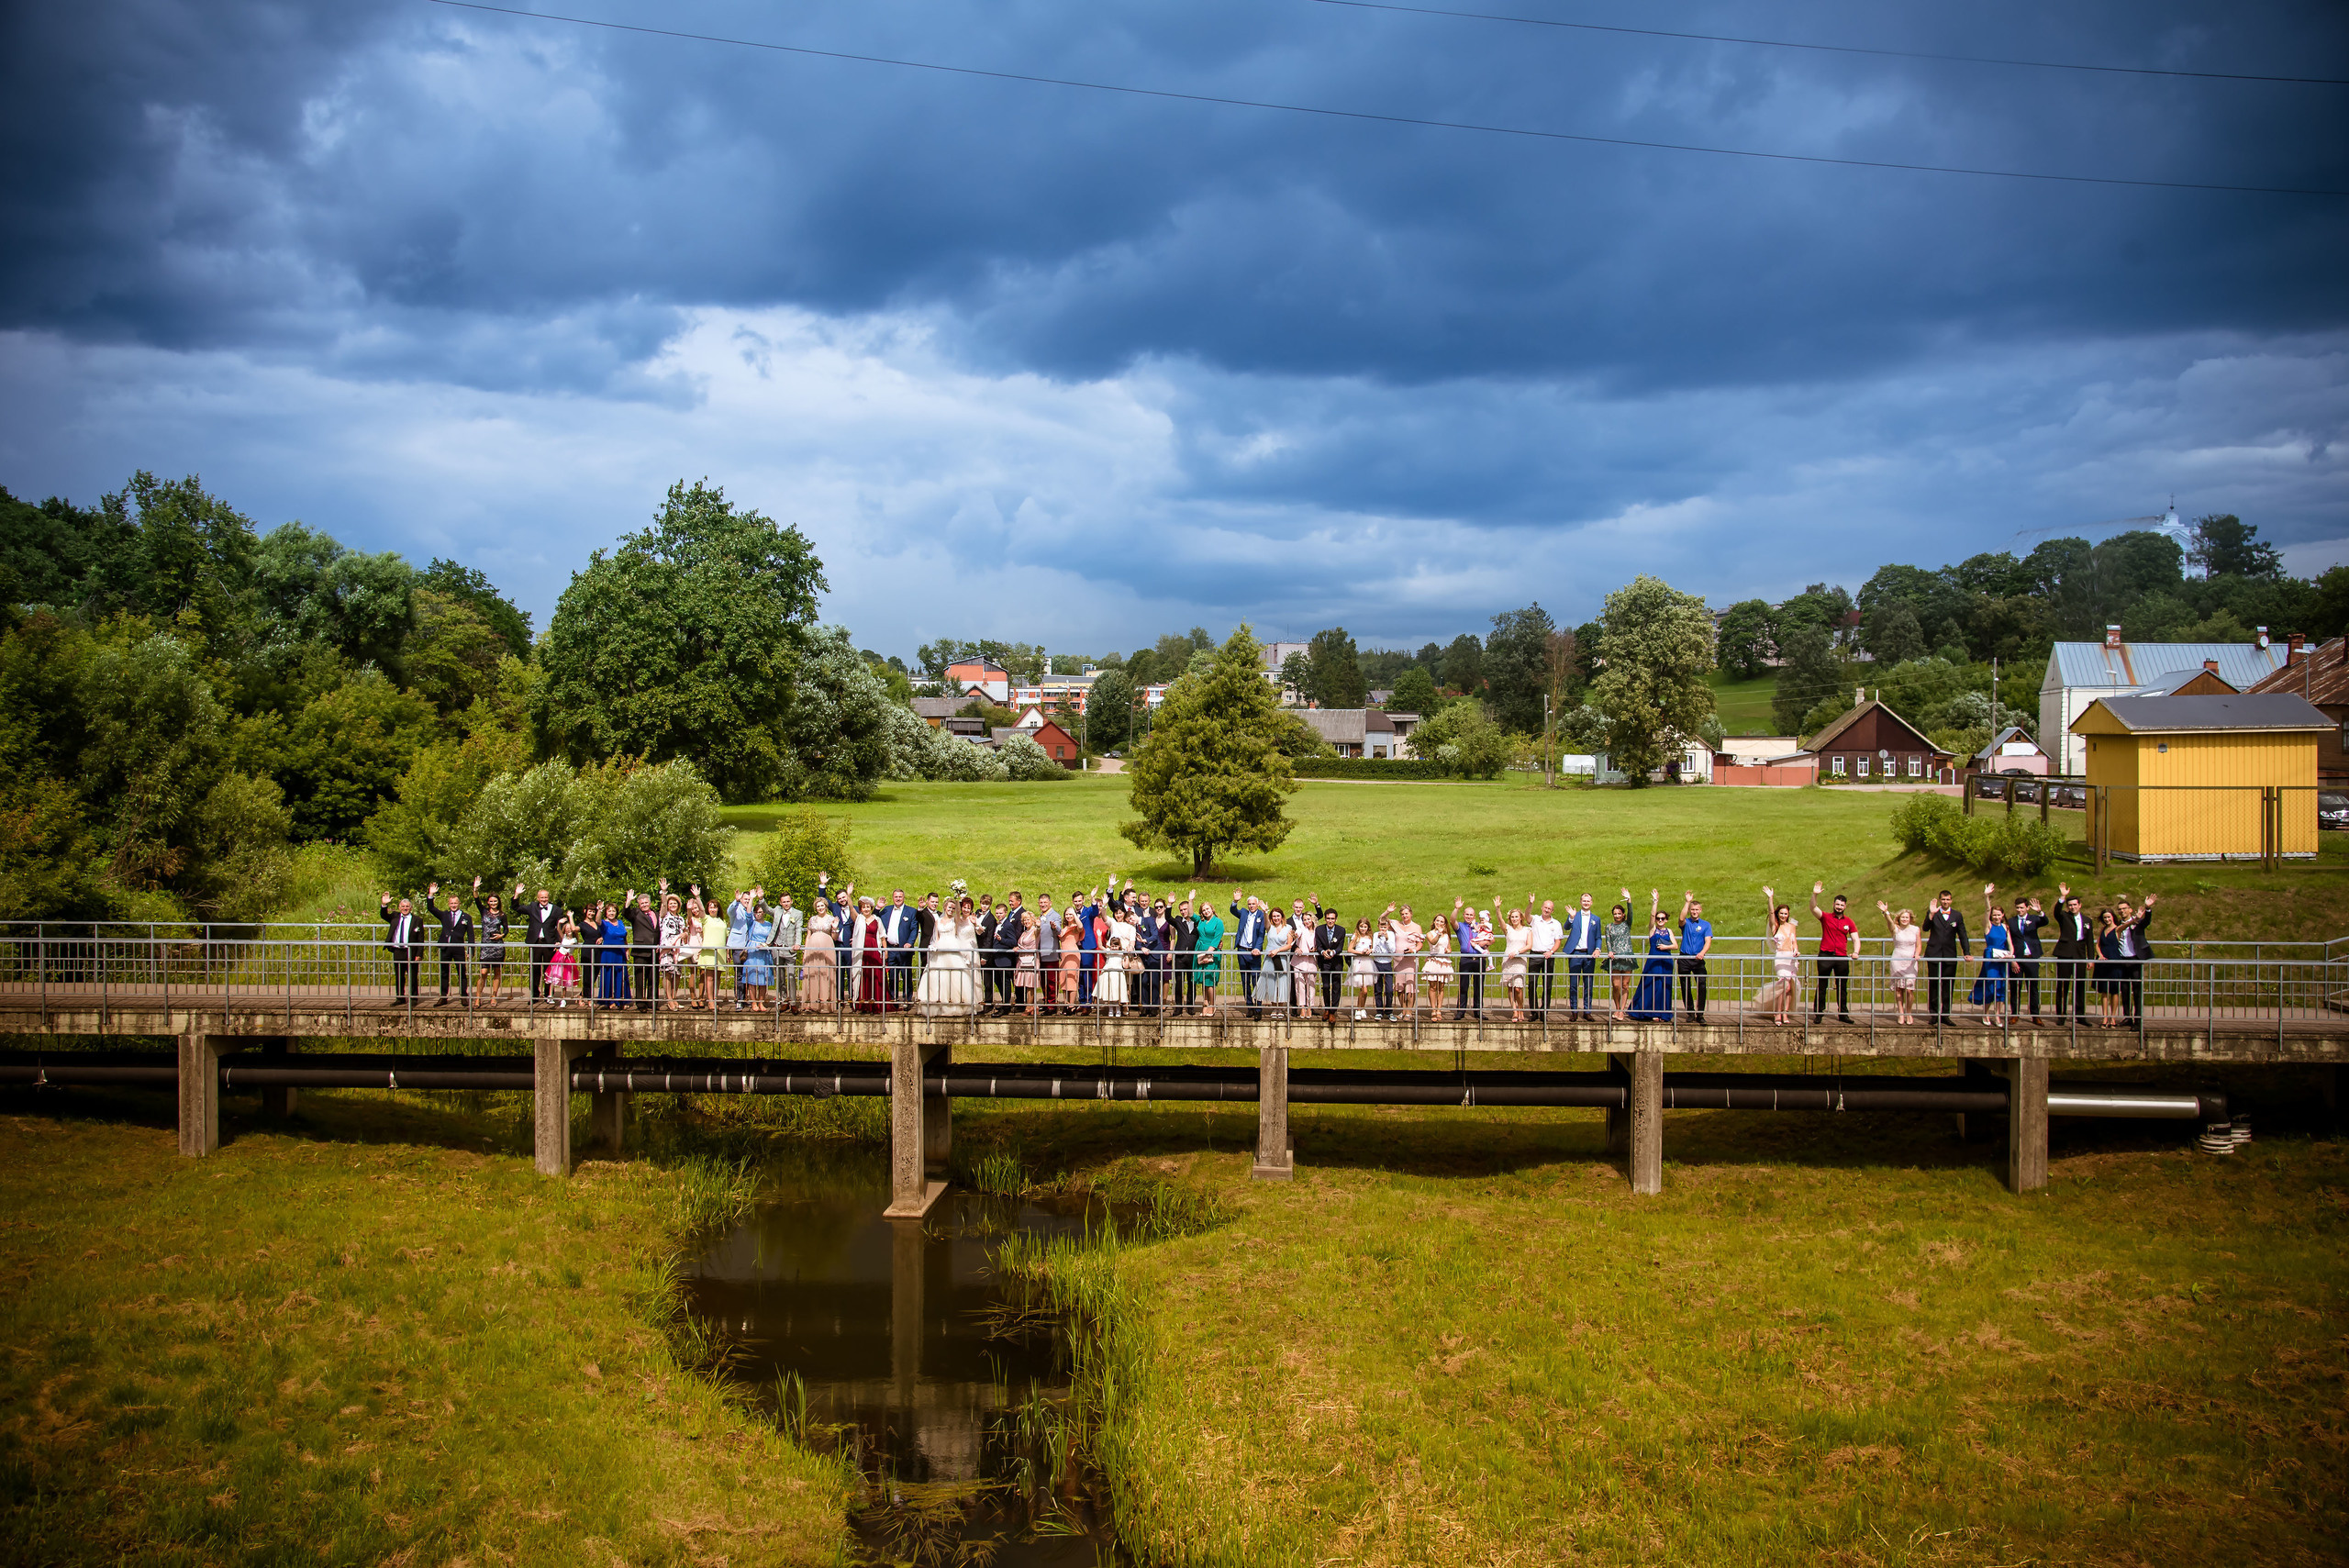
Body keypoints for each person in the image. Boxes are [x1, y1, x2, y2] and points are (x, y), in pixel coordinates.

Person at [917, 896, 978, 1015]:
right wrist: (934, 946)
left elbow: (959, 911)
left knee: (955, 976)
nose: (951, 910)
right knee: (937, 976)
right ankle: (937, 1003)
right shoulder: (938, 921)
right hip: (940, 949)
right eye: (949, 907)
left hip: (952, 947)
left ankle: (956, 1004)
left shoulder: (955, 920)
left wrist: (958, 897)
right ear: (945, 907)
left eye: (953, 908)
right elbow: (936, 937)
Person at [1810, 882, 1857, 1025]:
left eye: (1842, 905)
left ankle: (1843, 1014)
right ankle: (1819, 1013)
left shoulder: (1849, 922)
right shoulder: (1826, 917)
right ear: (1833, 904)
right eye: (1837, 904)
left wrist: (1856, 951)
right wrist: (1815, 894)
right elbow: (1813, 908)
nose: (1839, 907)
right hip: (1826, 955)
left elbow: (1856, 938)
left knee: (1842, 986)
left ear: (1845, 906)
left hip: (1842, 957)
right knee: (1822, 984)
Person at [1922, 889, 1970, 1026]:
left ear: (1951, 900)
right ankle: (1934, 1014)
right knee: (1934, 984)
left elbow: (1962, 934)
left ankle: (1945, 1014)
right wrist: (1931, 914)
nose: (1945, 902)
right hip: (1934, 954)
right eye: (1943, 899)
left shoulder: (1957, 915)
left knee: (1948, 985)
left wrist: (1966, 952)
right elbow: (1925, 928)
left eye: (1948, 899)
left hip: (1949, 955)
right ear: (1940, 900)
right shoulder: (1934, 913)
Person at [2048, 884, 2092, 1023]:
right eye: (2070, 905)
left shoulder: (2087, 921)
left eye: (2075, 905)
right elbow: (2056, 912)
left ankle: (2080, 1015)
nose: (2073, 907)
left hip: (2080, 955)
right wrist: (2062, 897)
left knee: (2080, 986)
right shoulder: (2064, 916)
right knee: (2063, 985)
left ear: (2080, 905)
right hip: (2065, 954)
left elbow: (2089, 941)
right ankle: (2061, 1015)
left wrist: (2090, 959)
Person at [422, 882, 472, 1006]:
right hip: (446, 947)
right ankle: (443, 996)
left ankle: (463, 996)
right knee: (444, 972)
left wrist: (471, 950)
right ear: (449, 904)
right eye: (451, 903)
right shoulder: (444, 915)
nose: (453, 905)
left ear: (459, 904)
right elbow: (431, 908)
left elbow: (471, 935)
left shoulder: (466, 917)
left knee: (462, 972)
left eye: (455, 903)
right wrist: (431, 895)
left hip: (459, 948)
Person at [1628, 891, 1675, 1021]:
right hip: (1654, 960)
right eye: (1658, 918)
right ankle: (1648, 1011)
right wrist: (1655, 902)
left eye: (1662, 918)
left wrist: (1666, 947)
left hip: (1666, 961)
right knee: (1651, 984)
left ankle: (1662, 1013)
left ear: (1666, 920)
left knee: (1664, 986)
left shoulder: (1669, 931)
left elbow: (1675, 945)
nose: (1660, 920)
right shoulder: (1653, 930)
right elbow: (1652, 917)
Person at [1971, 885, 2011, 1028]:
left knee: (2001, 987)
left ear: (2003, 915)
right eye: (1994, 915)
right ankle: (1986, 1013)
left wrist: (2011, 955)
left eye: (1999, 915)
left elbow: (2010, 944)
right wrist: (1986, 896)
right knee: (1990, 985)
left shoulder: (2005, 927)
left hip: (2002, 958)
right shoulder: (1988, 926)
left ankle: (1997, 1015)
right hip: (1991, 958)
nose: (1996, 917)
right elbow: (1987, 910)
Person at [2116, 895, 2157, 1029]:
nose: (2122, 911)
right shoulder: (2117, 925)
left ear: (2130, 910)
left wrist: (2148, 908)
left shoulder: (2137, 922)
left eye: (2124, 908)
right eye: (2119, 909)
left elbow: (2146, 922)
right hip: (2122, 959)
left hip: (2134, 959)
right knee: (2124, 990)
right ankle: (2127, 1017)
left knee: (2137, 990)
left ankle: (2138, 1020)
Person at [1876, 901, 1920, 1026]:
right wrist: (1886, 913)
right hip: (1898, 960)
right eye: (1903, 917)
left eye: (1907, 917)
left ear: (1910, 918)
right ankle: (1901, 1012)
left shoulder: (1916, 929)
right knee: (1899, 989)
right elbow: (1890, 923)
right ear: (1899, 919)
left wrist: (1917, 954)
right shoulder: (1896, 929)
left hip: (1911, 962)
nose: (1905, 919)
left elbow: (1918, 945)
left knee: (1909, 989)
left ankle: (1908, 1012)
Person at [1759, 887, 1798, 1026]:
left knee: (1790, 987)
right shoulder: (1775, 926)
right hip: (1781, 957)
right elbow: (1771, 913)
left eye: (1785, 914)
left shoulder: (1792, 926)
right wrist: (1770, 898)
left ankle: (1785, 1012)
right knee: (1784, 986)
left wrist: (1796, 951)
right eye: (1781, 913)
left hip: (1791, 958)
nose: (1783, 916)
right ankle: (1778, 1012)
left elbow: (1794, 941)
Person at [379, 892, 425, 1002]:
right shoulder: (395, 917)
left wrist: (419, 954)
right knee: (399, 976)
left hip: (411, 951)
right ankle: (400, 998)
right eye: (403, 906)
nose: (405, 908)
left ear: (411, 908)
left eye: (407, 906)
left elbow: (420, 939)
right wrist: (384, 904)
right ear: (399, 908)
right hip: (398, 950)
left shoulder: (417, 920)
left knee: (412, 976)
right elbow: (384, 915)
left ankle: (413, 998)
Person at [879, 890, 919, 1012]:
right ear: (893, 898)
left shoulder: (911, 911)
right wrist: (877, 908)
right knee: (892, 976)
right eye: (896, 897)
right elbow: (874, 919)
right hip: (890, 949)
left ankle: (907, 1000)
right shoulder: (886, 910)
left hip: (904, 949)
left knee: (906, 975)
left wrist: (910, 943)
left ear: (904, 897)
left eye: (900, 897)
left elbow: (914, 929)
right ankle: (894, 1000)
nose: (898, 899)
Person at [471, 877, 508, 1006]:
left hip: (498, 947)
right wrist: (475, 888)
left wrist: (501, 935)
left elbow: (506, 929)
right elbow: (476, 899)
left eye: (495, 901)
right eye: (491, 901)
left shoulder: (502, 915)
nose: (493, 903)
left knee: (497, 972)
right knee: (483, 973)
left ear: (498, 902)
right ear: (488, 902)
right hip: (486, 946)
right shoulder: (484, 912)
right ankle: (478, 997)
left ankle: (494, 996)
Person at [1675, 893, 1712, 1023]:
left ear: (1700, 910)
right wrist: (1687, 902)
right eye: (1692, 910)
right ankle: (1690, 1012)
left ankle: (1700, 1014)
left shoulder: (1706, 925)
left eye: (1696, 909)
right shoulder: (1686, 923)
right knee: (1685, 986)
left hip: (1698, 959)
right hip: (1685, 958)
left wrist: (1702, 952)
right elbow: (1681, 918)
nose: (1694, 912)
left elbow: (1708, 941)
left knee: (1701, 985)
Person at [2011, 892, 2047, 1022]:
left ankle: (2035, 1015)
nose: (2019, 910)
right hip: (2017, 959)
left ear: (2027, 908)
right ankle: (2015, 1014)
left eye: (2022, 907)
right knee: (2015, 987)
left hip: (2031, 957)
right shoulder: (2011, 921)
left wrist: (2040, 912)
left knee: (2033, 987)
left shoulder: (2034, 919)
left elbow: (2045, 921)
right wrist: (2012, 960)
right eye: (2017, 908)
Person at [1230, 892, 1265, 1018]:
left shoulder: (1261, 915)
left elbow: (1261, 934)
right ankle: (1249, 1006)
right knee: (1245, 981)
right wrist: (1235, 901)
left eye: (1253, 904)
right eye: (1249, 904)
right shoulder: (1244, 913)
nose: (1251, 906)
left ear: (1257, 904)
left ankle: (1258, 1008)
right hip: (1242, 950)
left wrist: (1257, 948)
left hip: (1254, 952)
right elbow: (1233, 910)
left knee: (1256, 980)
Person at [1564, 895, 1601, 1017]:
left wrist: (1597, 949)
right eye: (1584, 901)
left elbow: (1598, 937)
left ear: (1591, 902)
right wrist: (1571, 917)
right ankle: (1574, 1011)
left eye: (1588, 901)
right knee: (1574, 984)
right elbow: (1566, 927)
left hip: (1589, 954)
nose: (1586, 903)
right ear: (1580, 902)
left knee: (1588, 984)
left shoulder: (1596, 919)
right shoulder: (1575, 916)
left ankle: (1587, 1011)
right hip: (1576, 953)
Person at [522, 884, 560, 1003]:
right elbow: (516, 908)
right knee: (534, 969)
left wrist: (559, 941)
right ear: (538, 898)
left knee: (549, 970)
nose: (544, 899)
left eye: (546, 897)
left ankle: (549, 995)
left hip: (549, 944)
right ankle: (534, 995)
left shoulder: (556, 909)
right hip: (536, 942)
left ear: (549, 898)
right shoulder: (532, 907)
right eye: (542, 897)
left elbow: (559, 927)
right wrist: (517, 895)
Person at [801, 895, 840, 1011]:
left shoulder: (831, 919)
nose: (820, 908)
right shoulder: (812, 919)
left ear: (826, 906)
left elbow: (835, 937)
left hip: (827, 948)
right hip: (812, 950)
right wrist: (805, 951)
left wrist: (835, 928)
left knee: (825, 974)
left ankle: (825, 1004)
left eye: (822, 905)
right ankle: (811, 1003)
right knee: (812, 974)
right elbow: (808, 936)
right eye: (818, 906)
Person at [1603, 895, 1638, 1020]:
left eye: (1619, 913)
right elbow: (1608, 941)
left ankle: (1622, 1010)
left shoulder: (1627, 924)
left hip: (1627, 957)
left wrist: (1629, 900)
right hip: (1615, 958)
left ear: (1623, 915)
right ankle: (1617, 1008)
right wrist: (1610, 951)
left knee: (1625, 985)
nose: (1617, 916)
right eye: (1615, 914)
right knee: (1616, 985)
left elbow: (1631, 913)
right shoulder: (1609, 927)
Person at [626, 888, 662, 1011]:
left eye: (646, 902)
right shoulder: (636, 913)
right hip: (640, 951)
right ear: (639, 905)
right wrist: (628, 901)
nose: (644, 905)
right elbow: (626, 913)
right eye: (642, 903)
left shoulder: (656, 914)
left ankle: (653, 1002)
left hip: (654, 951)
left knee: (653, 979)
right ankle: (641, 1004)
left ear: (650, 903)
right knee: (640, 979)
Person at [1527, 897, 1562, 1017]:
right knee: (1532, 984)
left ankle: (1544, 1011)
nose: (1547, 910)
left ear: (1552, 911)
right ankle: (1534, 1011)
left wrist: (1551, 952)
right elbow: (1526, 915)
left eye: (1549, 909)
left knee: (1547, 985)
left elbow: (1558, 941)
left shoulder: (1556, 924)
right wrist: (1530, 903)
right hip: (1535, 955)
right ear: (1542, 908)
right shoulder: (1535, 920)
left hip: (1548, 956)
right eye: (1545, 907)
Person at [1453, 898, 1487, 1018]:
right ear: (1464, 915)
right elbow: (1452, 920)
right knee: (1463, 985)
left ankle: (1478, 1011)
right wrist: (1456, 908)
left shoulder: (1480, 926)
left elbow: (1489, 938)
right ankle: (1461, 1011)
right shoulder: (1461, 926)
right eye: (1467, 914)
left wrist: (1485, 944)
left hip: (1479, 959)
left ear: (1474, 916)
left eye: (1471, 915)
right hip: (1466, 959)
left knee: (1479, 986)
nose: (1469, 916)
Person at [1256, 908, 1294, 1017]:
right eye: (1274, 916)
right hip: (1270, 958)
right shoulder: (1270, 927)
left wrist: (1277, 950)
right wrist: (1265, 912)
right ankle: (1274, 1007)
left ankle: (1280, 1008)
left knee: (1281, 983)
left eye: (1278, 916)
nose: (1276, 918)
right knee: (1271, 982)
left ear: (1282, 917)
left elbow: (1289, 945)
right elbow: (1266, 923)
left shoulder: (1288, 928)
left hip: (1281, 958)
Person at [770, 893, 804, 1013]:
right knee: (780, 977)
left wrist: (798, 943)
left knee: (791, 976)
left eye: (788, 901)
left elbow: (798, 929)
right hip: (778, 948)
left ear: (791, 901)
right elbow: (766, 909)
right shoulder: (777, 911)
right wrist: (760, 899)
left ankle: (793, 1002)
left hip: (790, 949)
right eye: (784, 902)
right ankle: (784, 1001)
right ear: (780, 903)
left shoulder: (798, 913)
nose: (786, 904)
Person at [1192, 895, 1225, 1017]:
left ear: (1212, 909)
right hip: (1201, 950)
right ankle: (1205, 1004)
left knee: (1210, 980)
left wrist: (1208, 953)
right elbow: (1190, 914)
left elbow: (1216, 939)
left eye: (1207, 909)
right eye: (1204, 910)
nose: (1206, 911)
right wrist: (1191, 900)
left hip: (1212, 953)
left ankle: (1212, 1005)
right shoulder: (1201, 921)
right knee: (1203, 980)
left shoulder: (1218, 922)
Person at [741, 898, 775, 1012]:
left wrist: (766, 945)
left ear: (764, 913)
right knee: (752, 978)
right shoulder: (752, 923)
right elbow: (748, 914)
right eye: (756, 912)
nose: (758, 914)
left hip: (764, 952)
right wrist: (751, 898)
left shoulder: (769, 925)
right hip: (752, 951)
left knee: (763, 978)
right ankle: (753, 1002)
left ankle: (761, 1002)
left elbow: (771, 938)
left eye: (760, 912)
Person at [1500, 907, 1532, 1021]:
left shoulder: (1527, 930)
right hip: (1508, 960)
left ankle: (1520, 1009)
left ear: (1521, 918)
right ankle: (1514, 1011)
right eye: (1512, 917)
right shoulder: (1508, 929)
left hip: (1520, 960)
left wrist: (1518, 952)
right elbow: (1500, 921)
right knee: (1510, 986)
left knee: (1518, 987)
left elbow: (1529, 945)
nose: (1514, 919)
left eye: (1516, 917)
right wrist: (1498, 909)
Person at [658, 893, 690, 1008]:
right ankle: (669, 999)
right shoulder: (664, 916)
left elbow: (686, 930)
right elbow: (663, 906)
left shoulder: (680, 918)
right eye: (670, 903)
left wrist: (685, 934)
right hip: (667, 948)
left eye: (674, 903)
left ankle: (674, 997)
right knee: (667, 973)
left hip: (678, 949)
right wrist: (664, 892)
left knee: (677, 974)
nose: (672, 905)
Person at [2094, 908, 2124, 1027]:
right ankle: (2105, 1017)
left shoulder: (2117, 929)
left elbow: (2125, 926)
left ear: (2113, 917)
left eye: (2109, 917)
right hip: (2103, 963)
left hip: (2114, 962)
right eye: (2105, 918)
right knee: (2104, 991)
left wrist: (2135, 919)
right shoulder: (2103, 929)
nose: (2107, 919)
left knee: (2114, 991)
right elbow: (2098, 945)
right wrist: (2100, 955)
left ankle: (2113, 1017)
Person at [1315, 902, 1347, 1015]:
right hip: (1324, 961)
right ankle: (1327, 1008)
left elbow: (1340, 947)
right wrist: (1323, 952)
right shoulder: (1319, 930)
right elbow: (1318, 945)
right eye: (1328, 918)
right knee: (1326, 986)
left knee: (1336, 986)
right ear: (1325, 919)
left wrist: (1333, 952)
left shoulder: (1341, 930)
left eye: (1332, 919)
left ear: (1336, 919)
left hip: (1336, 961)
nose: (1330, 921)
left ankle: (1333, 1010)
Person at [1390, 904, 1422, 1017]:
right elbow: (1381, 920)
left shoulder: (1417, 927)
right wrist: (1388, 911)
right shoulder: (1396, 925)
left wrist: (1414, 950)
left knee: (1410, 986)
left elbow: (1420, 944)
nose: (1404, 916)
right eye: (1402, 914)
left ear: (1411, 914)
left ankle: (1409, 1011)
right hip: (1398, 961)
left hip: (1410, 961)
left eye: (1406, 913)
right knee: (1400, 986)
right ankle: (1403, 1010)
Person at [1421, 915, 1455, 1018]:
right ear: (1434, 922)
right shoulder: (1430, 934)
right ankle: (1433, 1009)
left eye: (1441, 921)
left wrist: (1448, 950)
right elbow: (1433, 942)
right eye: (1437, 921)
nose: (1439, 923)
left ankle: (1439, 1009)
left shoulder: (1446, 935)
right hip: (1434, 961)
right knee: (1433, 987)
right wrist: (1438, 934)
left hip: (1443, 961)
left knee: (1441, 987)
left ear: (1444, 924)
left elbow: (1449, 948)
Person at [596, 902, 629, 1006]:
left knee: (621, 976)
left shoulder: (620, 922)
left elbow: (624, 938)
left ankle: (621, 1000)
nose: (611, 913)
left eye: (613, 911)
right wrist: (599, 910)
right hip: (608, 954)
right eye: (609, 911)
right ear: (606, 913)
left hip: (620, 953)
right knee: (608, 976)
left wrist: (627, 950)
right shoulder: (604, 923)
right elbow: (597, 921)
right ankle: (609, 1001)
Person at [1170, 896, 1198, 1012]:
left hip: (1192, 956)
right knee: (1179, 982)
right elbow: (1168, 918)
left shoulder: (1197, 921)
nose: (1183, 912)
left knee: (1192, 981)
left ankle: (1190, 1006)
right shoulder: (1178, 921)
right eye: (1181, 910)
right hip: (1180, 956)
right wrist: (1169, 904)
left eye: (1185, 909)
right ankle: (1178, 1007)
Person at [1057, 901, 1085, 1015]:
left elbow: (1081, 927)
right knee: (1063, 979)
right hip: (1063, 956)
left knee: (1072, 979)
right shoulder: (1064, 927)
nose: (1068, 916)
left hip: (1073, 955)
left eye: (1070, 914)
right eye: (1067, 914)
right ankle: (1066, 1003)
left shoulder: (1075, 927)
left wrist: (1075, 915)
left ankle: (1071, 1005)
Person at [548, 914, 581, 1006]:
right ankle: (550, 995)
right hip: (559, 958)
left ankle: (563, 998)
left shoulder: (574, 940)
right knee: (554, 976)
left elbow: (568, 946)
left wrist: (561, 945)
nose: (568, 930)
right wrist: (559, 923)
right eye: (567, 928)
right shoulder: (564, 937)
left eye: (570, 928)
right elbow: (558, 930)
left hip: (567, 959)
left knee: (564, 980)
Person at [1349, 917, 1378, 1018]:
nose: (1363, 929)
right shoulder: (1356, 936)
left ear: (1368, 928)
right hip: (1359, 962)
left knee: (1365, 989)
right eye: (1361, 926)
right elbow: (1350, 949)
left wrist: (1370, 950)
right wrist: (1360, 952)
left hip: (1368, 963)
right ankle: (1358, 1009)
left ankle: (1362, 1008)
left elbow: (1373, 948)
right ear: (1358, 927)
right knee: (1363, 988)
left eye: (1365, 927)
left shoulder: (1370, 937)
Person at [1015, 906, 1041, 1015]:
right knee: (1025, 983)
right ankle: (1034, 1006)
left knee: (1030, 984)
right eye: (1024, 920)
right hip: (1022, 959)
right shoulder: (1025, 932)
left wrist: (1038, 926)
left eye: (1028, 920)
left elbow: (1038, 931)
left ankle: (1029, 1007)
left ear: (1032, 920)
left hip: (1031, 960)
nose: (1026, 922)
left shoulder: (1034, 930)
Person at [1370, 917, 1396, 1018]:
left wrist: (1387, 939)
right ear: (1378, 926)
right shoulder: (1375, 935)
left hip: (1387, 963)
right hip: (1377, 963)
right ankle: (1379, 1011)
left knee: (1389, 990)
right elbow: (1375, 950)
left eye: (1385, 927)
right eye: (1381, 927)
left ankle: (1389, 1011)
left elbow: (1392, 950)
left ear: (1388, 927)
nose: (1383, 929)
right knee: (1378, 988)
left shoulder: (1391, 935)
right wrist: (1379, 938)